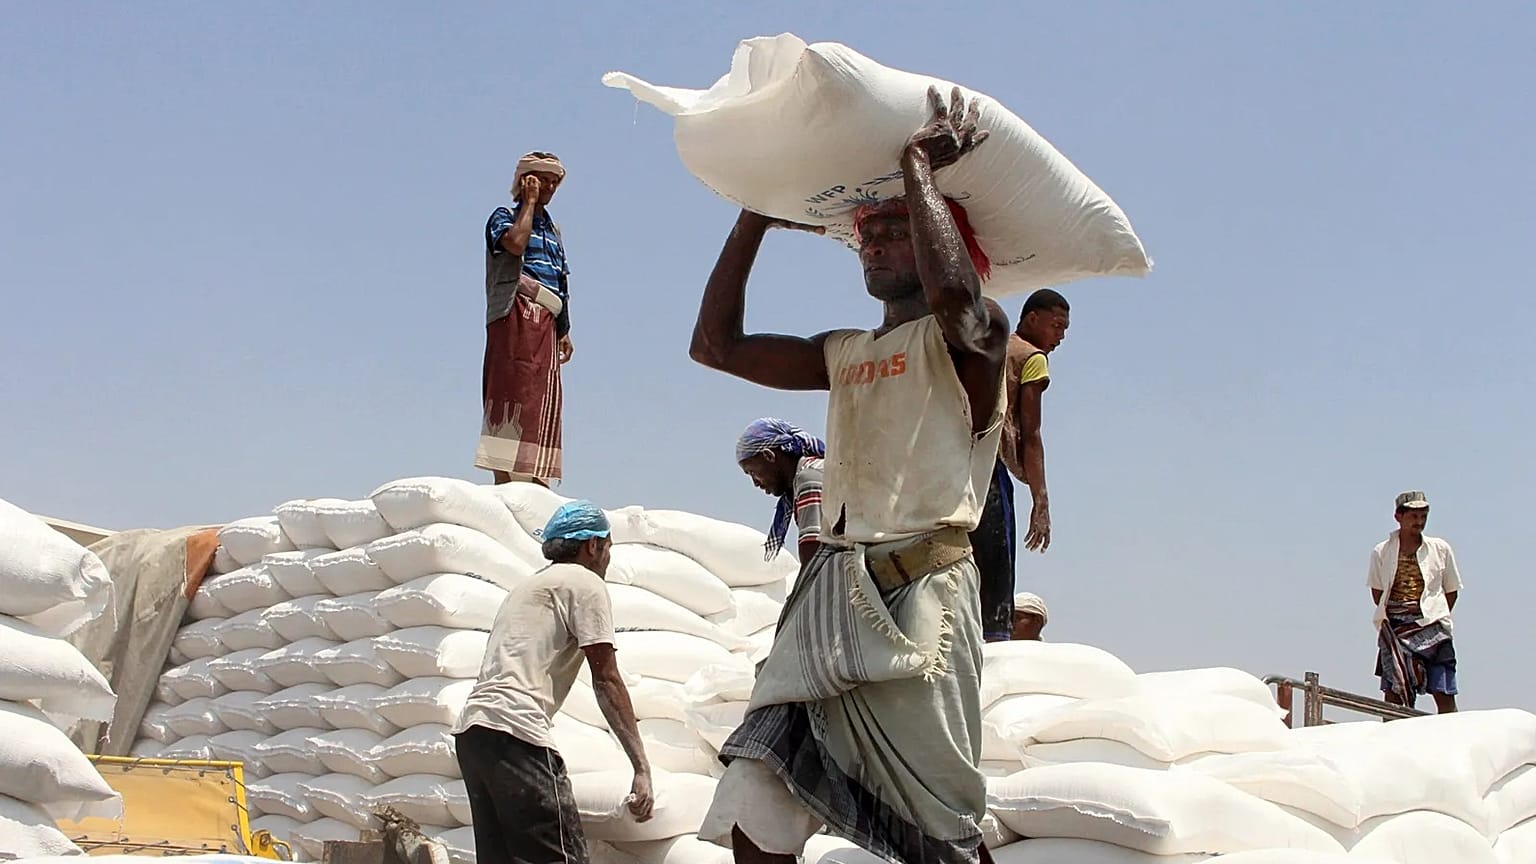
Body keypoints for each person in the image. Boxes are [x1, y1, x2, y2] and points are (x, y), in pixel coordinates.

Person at [689, 86, 1006, 864]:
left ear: (944, 241)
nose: (873, 245)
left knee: (938, 831)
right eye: (867, 234)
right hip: (831, 598)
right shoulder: (845, 352)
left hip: (921, 602)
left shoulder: (979, 335)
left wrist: (915, 170)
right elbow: (715, 346)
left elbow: (957, 297)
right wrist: (754, 217)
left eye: (896, 231)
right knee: (753, 800)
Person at [452, 501, 653, 864]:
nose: (607, 558)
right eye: (607, 547)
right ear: (593, 546)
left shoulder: (530, 586)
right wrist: (641, 768)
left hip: (474, 733)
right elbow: (606, 678)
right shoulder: (585, 582)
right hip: (517, 733)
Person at [476, 151, 575, 487]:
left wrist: (564, 328)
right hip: (516, 311)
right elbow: (515, 245)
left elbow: (560, 279)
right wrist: (528, 203)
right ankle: (504, 482)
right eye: (540, 179)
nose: (548, 187)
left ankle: (537, 483)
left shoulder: (554, 231)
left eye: (553, 182)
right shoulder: (504, 216)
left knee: (541, 399)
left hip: (547, 320)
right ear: (524, 181)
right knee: (510, 391)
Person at [977, 288, 1071, 640]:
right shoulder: (1032, 358)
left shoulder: (998, 349)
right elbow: (1031, 433)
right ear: (1032, 318)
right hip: (992, 466)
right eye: (1057, 325)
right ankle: (996, 642)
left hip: (962, 461)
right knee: (998, 577)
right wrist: (1040, 500)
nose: (1060, 336)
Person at [1368, 490, 1463, 714]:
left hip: (1433, 628)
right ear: (1398, 517)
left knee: (1443, 690)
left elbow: (1451, 591)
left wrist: (1432, 617)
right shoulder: (1382, 551)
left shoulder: (1440, 549)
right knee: (1394, 693)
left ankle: (1452, 740)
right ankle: (1394, 742)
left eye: (1423, 516)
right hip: (1396, 628)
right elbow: (1377, 593)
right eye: (1413, 516)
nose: (1419, 522)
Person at [734, 417, 826, 564]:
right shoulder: (817, 470)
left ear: (769, 456)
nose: (756, 483)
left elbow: (813, 558)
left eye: (752, 472)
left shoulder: (809, 479)